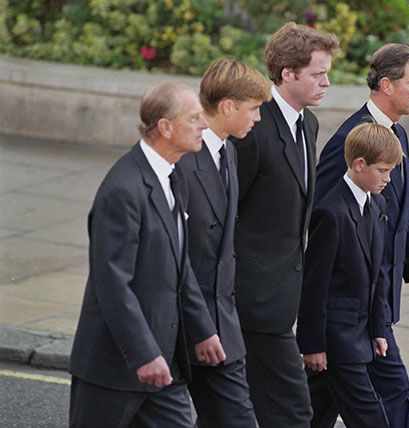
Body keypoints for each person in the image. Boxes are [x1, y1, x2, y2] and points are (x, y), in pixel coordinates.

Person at [69, 81, 226, 427]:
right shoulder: (123, 190)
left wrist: (202, 329)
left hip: (163, 364)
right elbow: (112, 284)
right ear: (165, 127)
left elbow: (178, 264)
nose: (204, 125)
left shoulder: (172, 176)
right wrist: (143, 354)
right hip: (116, 368)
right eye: (194, 118)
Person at [314, 43, 409, 427]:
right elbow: (327, 219)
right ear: (386, 84)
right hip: (355, 302)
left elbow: (403, 210)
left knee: (318, 398)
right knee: (392, 388)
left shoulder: (398, 134)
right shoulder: (349, 142)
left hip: (373, 300)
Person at [231, 22, 339, 428]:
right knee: (293, 411)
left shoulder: (307, 124)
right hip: (249, 300)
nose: (327, 82)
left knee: (232, 408)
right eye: (317, 74)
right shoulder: (254, 129)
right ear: (287, 73)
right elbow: (223, 213)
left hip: (280, 297)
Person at [176, 58, 270, 427]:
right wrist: (201, 327)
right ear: (228, 106)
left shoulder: (229, 151)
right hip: (183, 327)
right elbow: (178, 254)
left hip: (223, 326)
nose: (258, 118)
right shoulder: (183, 159)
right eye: (253, 109)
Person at [297, 123, 403, 428]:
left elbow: (377, 276)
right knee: (370, 417)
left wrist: (378, 329)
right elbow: (314, 286)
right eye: (383, 170)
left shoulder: (377, 204)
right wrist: (312, 345)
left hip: (360, 334)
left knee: (314, 414)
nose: (388, 178)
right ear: (359, 164)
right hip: (337, 338)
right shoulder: (331, 213)